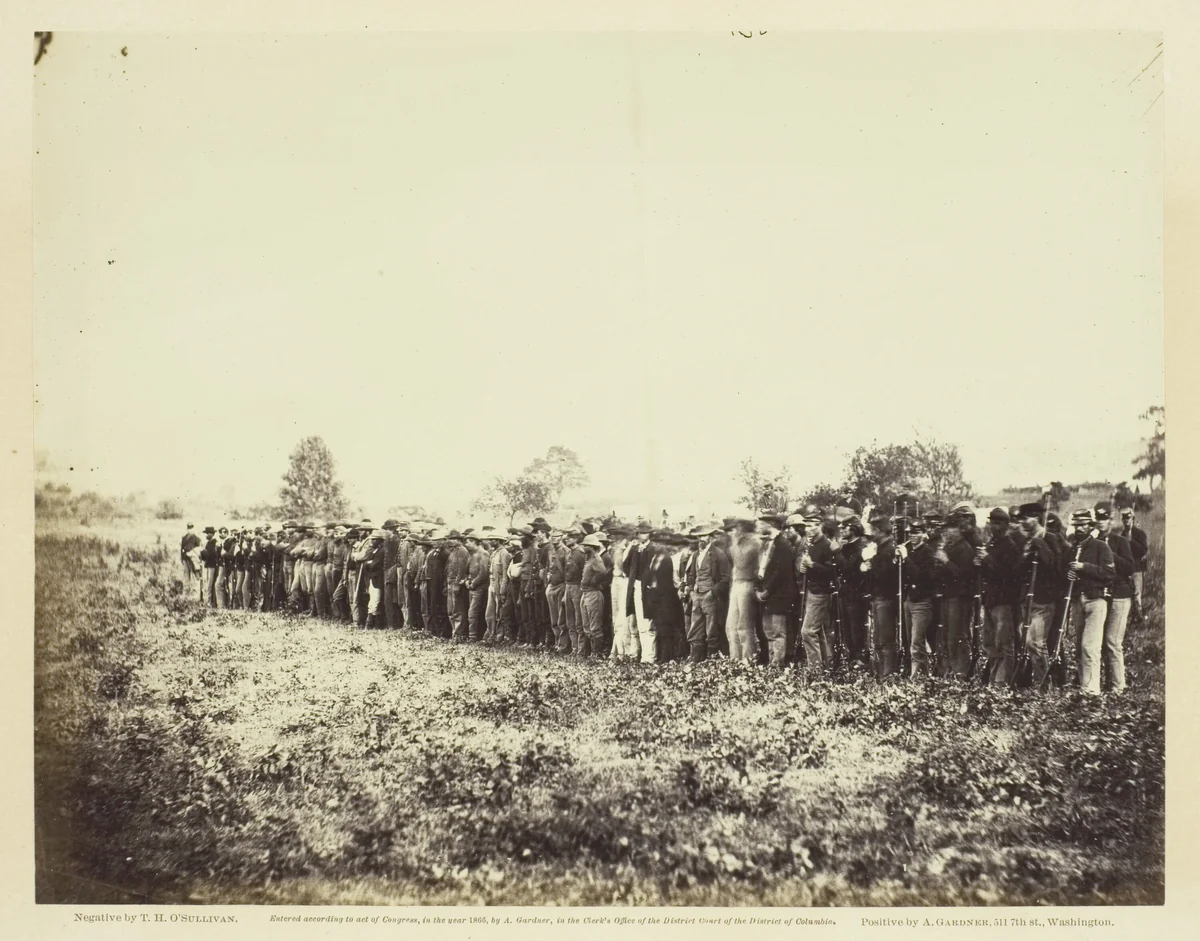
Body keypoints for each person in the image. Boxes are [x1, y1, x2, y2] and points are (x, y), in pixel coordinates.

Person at [1067, 508, 1116, 696]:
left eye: (1083, 525)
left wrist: (1084, 567)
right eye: (1076, 525)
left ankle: (1092, 690)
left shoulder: (1100, 547)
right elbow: (1067, 571)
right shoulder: (1073, 548)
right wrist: (1070, 573)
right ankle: (1083, 686)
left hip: (1096, 600)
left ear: (1090, 526)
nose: (1079, 528)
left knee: (1090, 646)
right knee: (1080, 646)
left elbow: (1109, 573)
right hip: (1077, 601)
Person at [1015, 504, 1058, 690]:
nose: (1023, 522)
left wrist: (1040, 545)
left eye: (1026, 518)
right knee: (1027, 642)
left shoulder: (1049, 538)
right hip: (1027, 601)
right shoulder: (1026, 541)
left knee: (1035, 643)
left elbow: (1055, 566)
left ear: (1036, 518)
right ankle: (1034, 680)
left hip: (1043, 601)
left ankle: (1043, 685)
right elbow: (1018, 571)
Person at [1095, 502, 1135, 694]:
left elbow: (1128, 567)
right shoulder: (1093, 542)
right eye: (1098, 518)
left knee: (1112, 641)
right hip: (1102, 597)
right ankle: (1109, 683)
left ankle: (1119, 687)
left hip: (1119, 595)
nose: (1101, 522)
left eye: (1104, 518)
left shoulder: (1120, 542)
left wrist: (1109, 554)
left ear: (1111, 520)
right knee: (1101, 641)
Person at [938, 502, 981, 680]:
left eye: (951, 528)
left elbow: (963, 575)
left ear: (958, 530)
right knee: (950, 635)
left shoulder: (964, 549)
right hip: (950, 597)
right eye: (946, 529)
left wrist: (945, 561)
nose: (947, 532)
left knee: (958, 635)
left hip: (960, 598)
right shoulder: (951, 547)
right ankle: (954, 671)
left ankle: (961, 672)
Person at [979, 507, 1022, 686]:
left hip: (1004, 602)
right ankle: (994, 678)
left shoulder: (1010, 547)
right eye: (991, 523)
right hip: (990, 600)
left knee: (1005, 643)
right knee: (990, 643)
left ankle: (1004, 681)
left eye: (997, 523)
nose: (993, 527)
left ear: (1005, 525)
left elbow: (1010, 576)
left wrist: (988, 559)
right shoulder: (990, 544)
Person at [756, 513, 799, 669]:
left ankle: (777, 664)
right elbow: (759, 568)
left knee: (778, 631)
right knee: (768, 630)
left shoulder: (783, 545)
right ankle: (771, 661)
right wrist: (758, 589)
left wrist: (767, 590)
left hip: (778, 596)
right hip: (766, 595)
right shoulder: (766, 543)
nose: (759, 527)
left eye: (762, 524)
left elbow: (781, 572)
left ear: (771, 524)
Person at [797, 519, 839, 674]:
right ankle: (823, 668)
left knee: (807, 632)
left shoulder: (826, 545)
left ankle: (815, 670)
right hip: (812, 591)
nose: (810, 528)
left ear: (821, 526)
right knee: (817, 632)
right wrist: (803, 567)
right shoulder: (812, 544)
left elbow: (831, 572)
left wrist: (811, 565)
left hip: (820, 593)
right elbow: (808, 566)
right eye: (807, 525)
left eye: (814, 525)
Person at [863, 509, 900, 679]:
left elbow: (886, 576)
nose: (871, 535)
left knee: (885, 639)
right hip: (878, 598)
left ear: (879, 531)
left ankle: (887, 673)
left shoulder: (888, 550)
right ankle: (880, 673)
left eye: (873, 531)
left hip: (886, 598)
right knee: (878, 639)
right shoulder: (881, 549)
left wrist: (872, 563)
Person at [685, 524, 731, 662]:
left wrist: (713, 592)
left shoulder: (719, 554)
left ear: (710, 537)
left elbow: (725, 578)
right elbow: (690, 575)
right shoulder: (695, 555)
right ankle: (695, 658)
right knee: (695, 628)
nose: (701, 539)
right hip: (696, 595)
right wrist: (692, 589)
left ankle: (712, 658)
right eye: (699, 536)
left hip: (710, 596)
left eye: (704, 536)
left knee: (712, 629)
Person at [902, 517, 939, 676]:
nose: (912, 536)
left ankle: (918, 676)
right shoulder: (910, 550)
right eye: (911, 533)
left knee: (917, 642)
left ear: (924, 534)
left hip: (922, 602)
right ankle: (916, 673)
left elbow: (920, 576)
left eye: (917, 533)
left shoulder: (928, 553)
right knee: (911, 640)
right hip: (909, 600)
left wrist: (905, 559)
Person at [835, 515, 870, 668]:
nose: (841, 530)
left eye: (845, 527)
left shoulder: (861, 546)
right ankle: (851, 659)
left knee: (857, 629)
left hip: (856, 593)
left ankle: (860, 660)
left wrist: (837, 552)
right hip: (845, 592)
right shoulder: (847, 545)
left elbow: (848, 568)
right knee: (847, 629)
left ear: (854, 528)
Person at [724, 518, 761, 662]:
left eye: (736, 528)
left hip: (747, 584)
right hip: (737, 584)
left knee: (744, 625)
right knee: (731, 624)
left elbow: (740, 562)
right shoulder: (740, 542)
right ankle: (735, 658)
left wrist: (734, 543)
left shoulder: (753, 543)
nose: (733, 531)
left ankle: (747, 659)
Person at [609, 526, 641, 662]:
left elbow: (623, 567)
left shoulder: (630, 548)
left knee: (626, 619)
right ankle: (617, 650)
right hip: (617, 581)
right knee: (617, 619)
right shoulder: (617, 549)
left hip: (626, 582)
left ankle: (626, 652)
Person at [578, 534, 610, 657]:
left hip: (593, 594)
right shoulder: (589, 559)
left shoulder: (596, 559)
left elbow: (602, 572)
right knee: (587, 626)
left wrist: (594, 582)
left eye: (586, 545)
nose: (584, 547)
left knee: (595, 626)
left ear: (592, 547)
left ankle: (596, 653)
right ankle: (591, 651)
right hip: (586, 593)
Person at [1119, 507, 1149, 626]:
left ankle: (1139, 618)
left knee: (1137, 594)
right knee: (1128, 594)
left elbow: (1143, 550)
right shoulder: (1122, 535)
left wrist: (1131, 541)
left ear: (1132, 518)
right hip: (1126, 570)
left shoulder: (1139, 533)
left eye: (1128, 518)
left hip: (1136, 569)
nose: (1126, 521)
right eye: (1124, 519)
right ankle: (1132, 617)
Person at [563, 529, 586, 655]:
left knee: (579, 620)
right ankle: (574, 647)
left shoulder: (580, 553)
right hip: (569, 586)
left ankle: (581, 649)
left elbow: (584, 572)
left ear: (576, 538)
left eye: (570, 537)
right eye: (567, 537)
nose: (567, 539)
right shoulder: (570, 552)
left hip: (577, 587)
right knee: (570, 619)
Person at [200, 525, 220, 607]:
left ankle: (210, 602)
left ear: (212, 534)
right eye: (206, 533)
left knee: (210, 584)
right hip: (209, 565)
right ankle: (210, 601)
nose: (207, 535)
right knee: (209, 584)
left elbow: (213, 555)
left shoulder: (215, 543)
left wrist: (204, 552)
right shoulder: (208, 543)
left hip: (213, 566)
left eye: (208, 533)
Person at [181, 523, 201, 593]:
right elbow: (182, 548)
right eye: (189, 528)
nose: (190, 530)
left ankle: (196, 590)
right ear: (187, 529)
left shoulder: (196, 538)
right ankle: (186, 590)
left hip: (193, 559)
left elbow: (199, 548)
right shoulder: (184, 537)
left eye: (191, 528)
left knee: (195, 574)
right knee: (186, 574)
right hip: (185, 558)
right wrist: (182, 558)